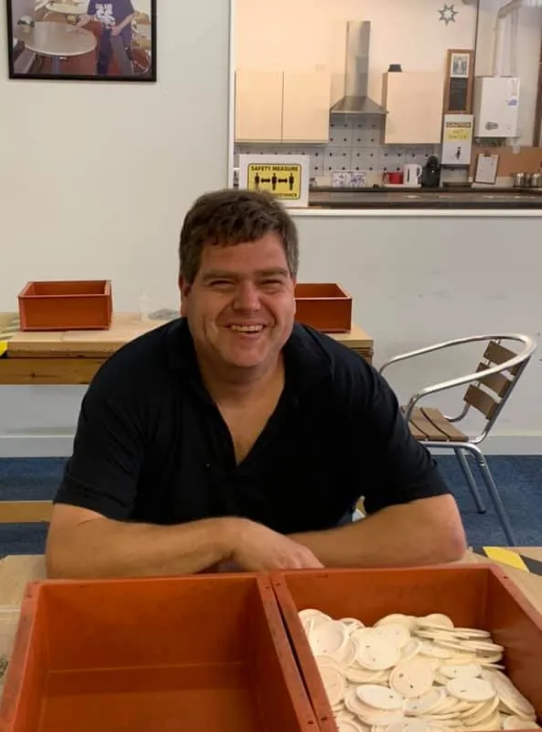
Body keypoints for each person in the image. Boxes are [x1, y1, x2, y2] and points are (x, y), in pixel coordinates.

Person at [46, 189, 466, 579]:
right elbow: (72, 552)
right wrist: (229, 538)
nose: (249, 304)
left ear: (292, 291)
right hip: (166, 601)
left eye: (270, 282)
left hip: (311, 607)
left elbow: (439, 531)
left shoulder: (344, 381)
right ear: (185, 292)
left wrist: (275, 552)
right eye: (223, 282)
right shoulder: (129, 383)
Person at [74, 0, 136, 76]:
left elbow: (131, 14)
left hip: (122, 32)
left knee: (124, 61)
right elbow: (89, 15)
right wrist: (77, 26)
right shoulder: (94, 1)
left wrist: (119, 28)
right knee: (103, 57)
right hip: (107, 30)